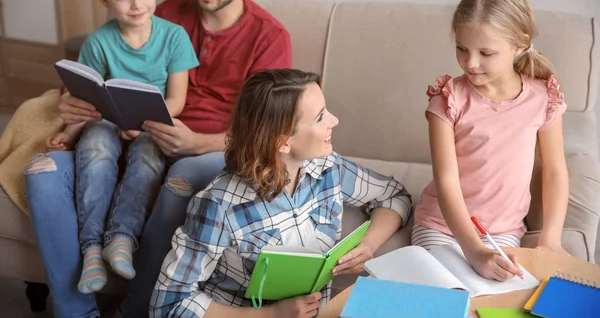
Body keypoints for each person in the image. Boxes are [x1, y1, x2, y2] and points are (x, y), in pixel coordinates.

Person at [24, 0, 292, 317]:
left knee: (181, 179)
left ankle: (136, 310)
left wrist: (199, 143)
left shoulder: (269, 37)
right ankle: (76, 311)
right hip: (124, 133)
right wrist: (69, 104)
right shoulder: (163, 12)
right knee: (41, 173)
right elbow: (104, 64)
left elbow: (271, 132)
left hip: (201, 149)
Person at [150, 68, 412, 318]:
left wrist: (368, 245)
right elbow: (170, 304)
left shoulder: (329, 168)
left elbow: (393, 196)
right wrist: (270, 315)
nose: (334, 120)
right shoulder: (219, 205)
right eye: (320, 116)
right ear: (283, 142)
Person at [46, 0, 199, 295]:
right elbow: (87, 95)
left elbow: (176, 100)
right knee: (96, 146)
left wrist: (145, 119)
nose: (137, 4)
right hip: (107, 121)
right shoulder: (98, 43)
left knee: (147, 157)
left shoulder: (173, 37)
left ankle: (122, 237)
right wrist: (70, 132)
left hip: (151, 123)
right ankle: (91, 250)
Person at [412, 0, 569, 282]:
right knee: (444, 296)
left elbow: (554, 171)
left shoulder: (543, 98)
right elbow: (447, 182)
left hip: (502, 232)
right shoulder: (448, 98)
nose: (470, 63)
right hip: (442, 227)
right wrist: (473, 251)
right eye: (461, 48)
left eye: (486, 52)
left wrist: (550, 237)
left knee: (495, 301)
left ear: (519, 46)